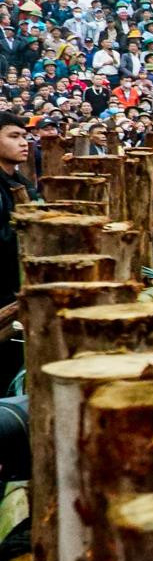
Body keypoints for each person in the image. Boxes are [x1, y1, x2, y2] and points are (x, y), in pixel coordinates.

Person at [0, 112, 43, 392]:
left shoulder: (22, 183)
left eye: (24, 136)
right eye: (13, 136)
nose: (24, 142)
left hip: (21, 291)